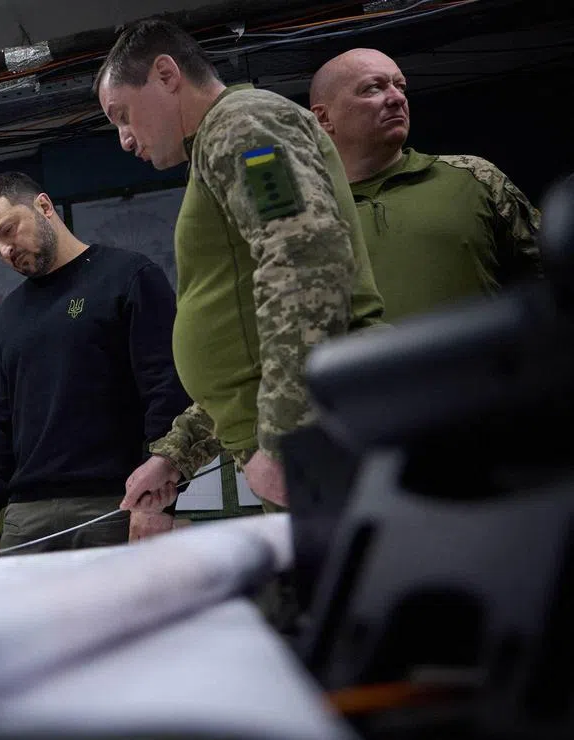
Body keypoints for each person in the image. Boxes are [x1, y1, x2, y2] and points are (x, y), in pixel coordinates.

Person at [96, 18, 385, 514]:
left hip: (313, 437)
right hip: (305, 433)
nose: (124, 139)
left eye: (122, 114)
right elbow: (246, 350)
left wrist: (283, 436)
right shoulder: (220, 141)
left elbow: (302, 260)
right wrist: (177, 455)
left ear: (166, 75)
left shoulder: (244, 124)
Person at [0, 171, 191, 555]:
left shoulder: (128, 277)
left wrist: (158, 500)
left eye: (8, 230)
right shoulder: (9, 317)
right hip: (25, 515)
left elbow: (167, 390)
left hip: (114, 505)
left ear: (44, 206)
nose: (5, 251)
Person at [309, 48, 542, 322]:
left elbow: (551, 275)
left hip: (487, 362)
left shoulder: (473, 177)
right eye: (373, 88)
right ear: (324, 118)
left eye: (400, 86)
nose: (397, 98)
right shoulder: (308, 216)